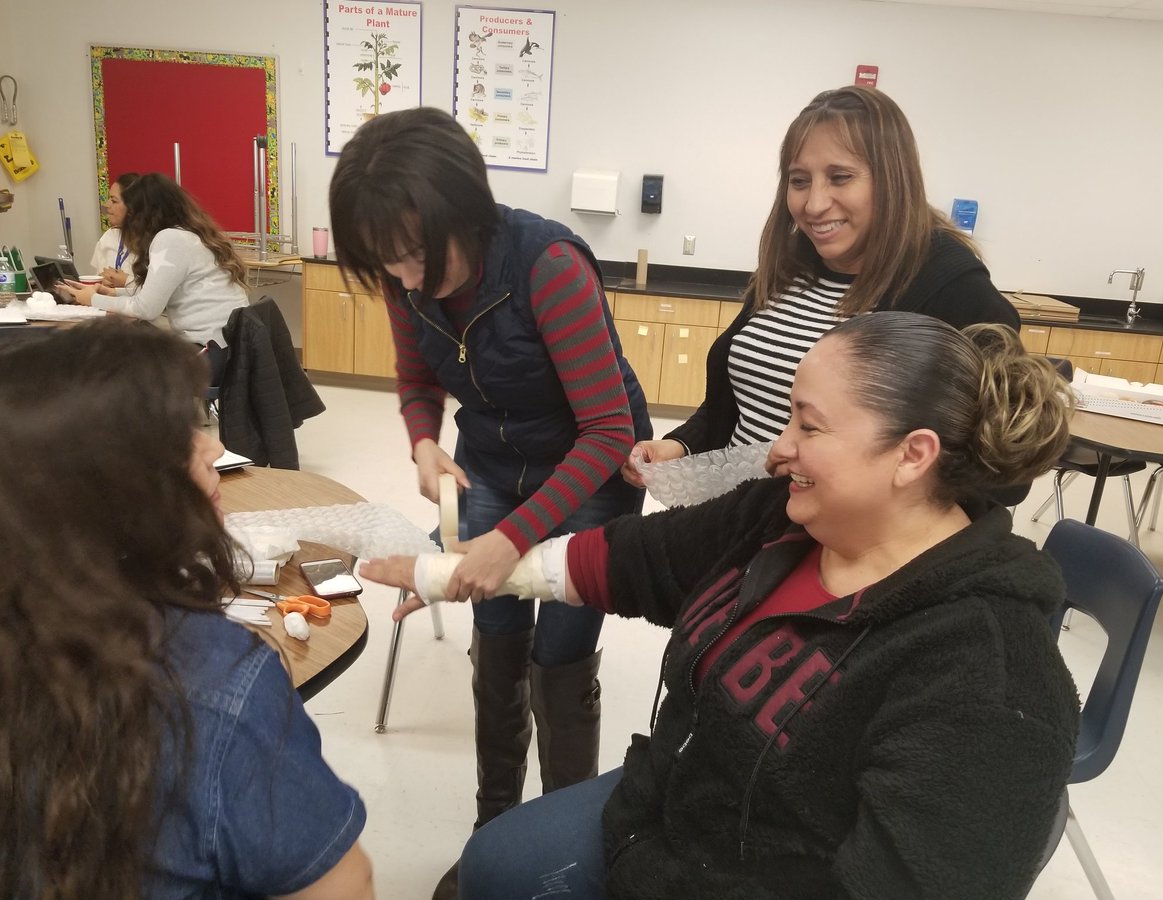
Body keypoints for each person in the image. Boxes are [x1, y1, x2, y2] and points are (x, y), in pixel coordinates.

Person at [365, 312, 1081, 900]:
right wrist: (457, 571)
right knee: (490, 866)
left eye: (809, 426)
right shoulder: (783, 519)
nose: (779, 448)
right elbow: (634, 559)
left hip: (733, 873)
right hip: (671, 816)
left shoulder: (989, 675)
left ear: (912, 455)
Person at [329, 107, 652, 899]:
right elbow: (416, 382)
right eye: (385, 261)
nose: (403, 278)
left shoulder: (546, 265)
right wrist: (423, 443)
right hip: (492, 466)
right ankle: (495, 829)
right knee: (498, 646)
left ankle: (565, 847)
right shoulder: (406, 284)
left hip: (590, 471)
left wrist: (513, 538)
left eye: (413, 255)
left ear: (462, 216)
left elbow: (608, 429)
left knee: (560, 659)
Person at [0, 319, 373, 898]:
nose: (216, 447)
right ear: (112, 486)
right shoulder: (214, 682)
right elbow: (343, 884)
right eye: (182, 435)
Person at [623, 85, 1020, 485]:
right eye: (799, 181)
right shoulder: (792, 265)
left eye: (840, 177)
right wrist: (680, 447)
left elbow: (1002, 470)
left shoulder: (951, 289)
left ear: (893, 180)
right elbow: (739, 402)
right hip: (733, 519)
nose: (814, 204)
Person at [62, 172, 250, 382]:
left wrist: (93, 299)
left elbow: (147, 309)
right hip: (228, 349)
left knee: (119, 364)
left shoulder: (169, 239)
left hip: (211, 354)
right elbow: (158, 291)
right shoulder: (188, 233)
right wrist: (113, 292)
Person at [90, 170, 139, 288]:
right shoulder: (109, 237)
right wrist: (101, 283)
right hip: (108, 303)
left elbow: (156, 292)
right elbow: (96, 279)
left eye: (114, 200)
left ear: (132, 206)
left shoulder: (155, 241)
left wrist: (126, 282)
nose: (106, 205)